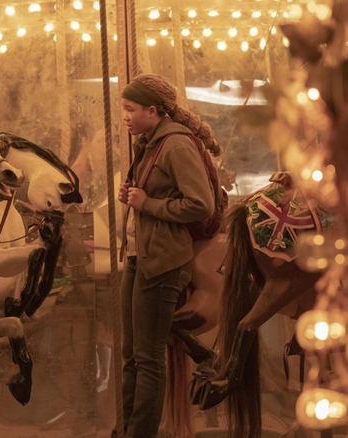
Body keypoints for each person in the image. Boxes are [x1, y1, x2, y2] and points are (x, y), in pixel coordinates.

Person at [117, 73, 221, 437]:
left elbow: (201, 204)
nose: (125, 116)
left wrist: (149, 203)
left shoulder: (176, 145)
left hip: (161, 261)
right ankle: (126, 427)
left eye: (130, 109)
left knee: (147, 357)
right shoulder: (150, 143)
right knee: (131, 354)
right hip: (139, 256)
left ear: (152, 110)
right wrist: (134, 195)